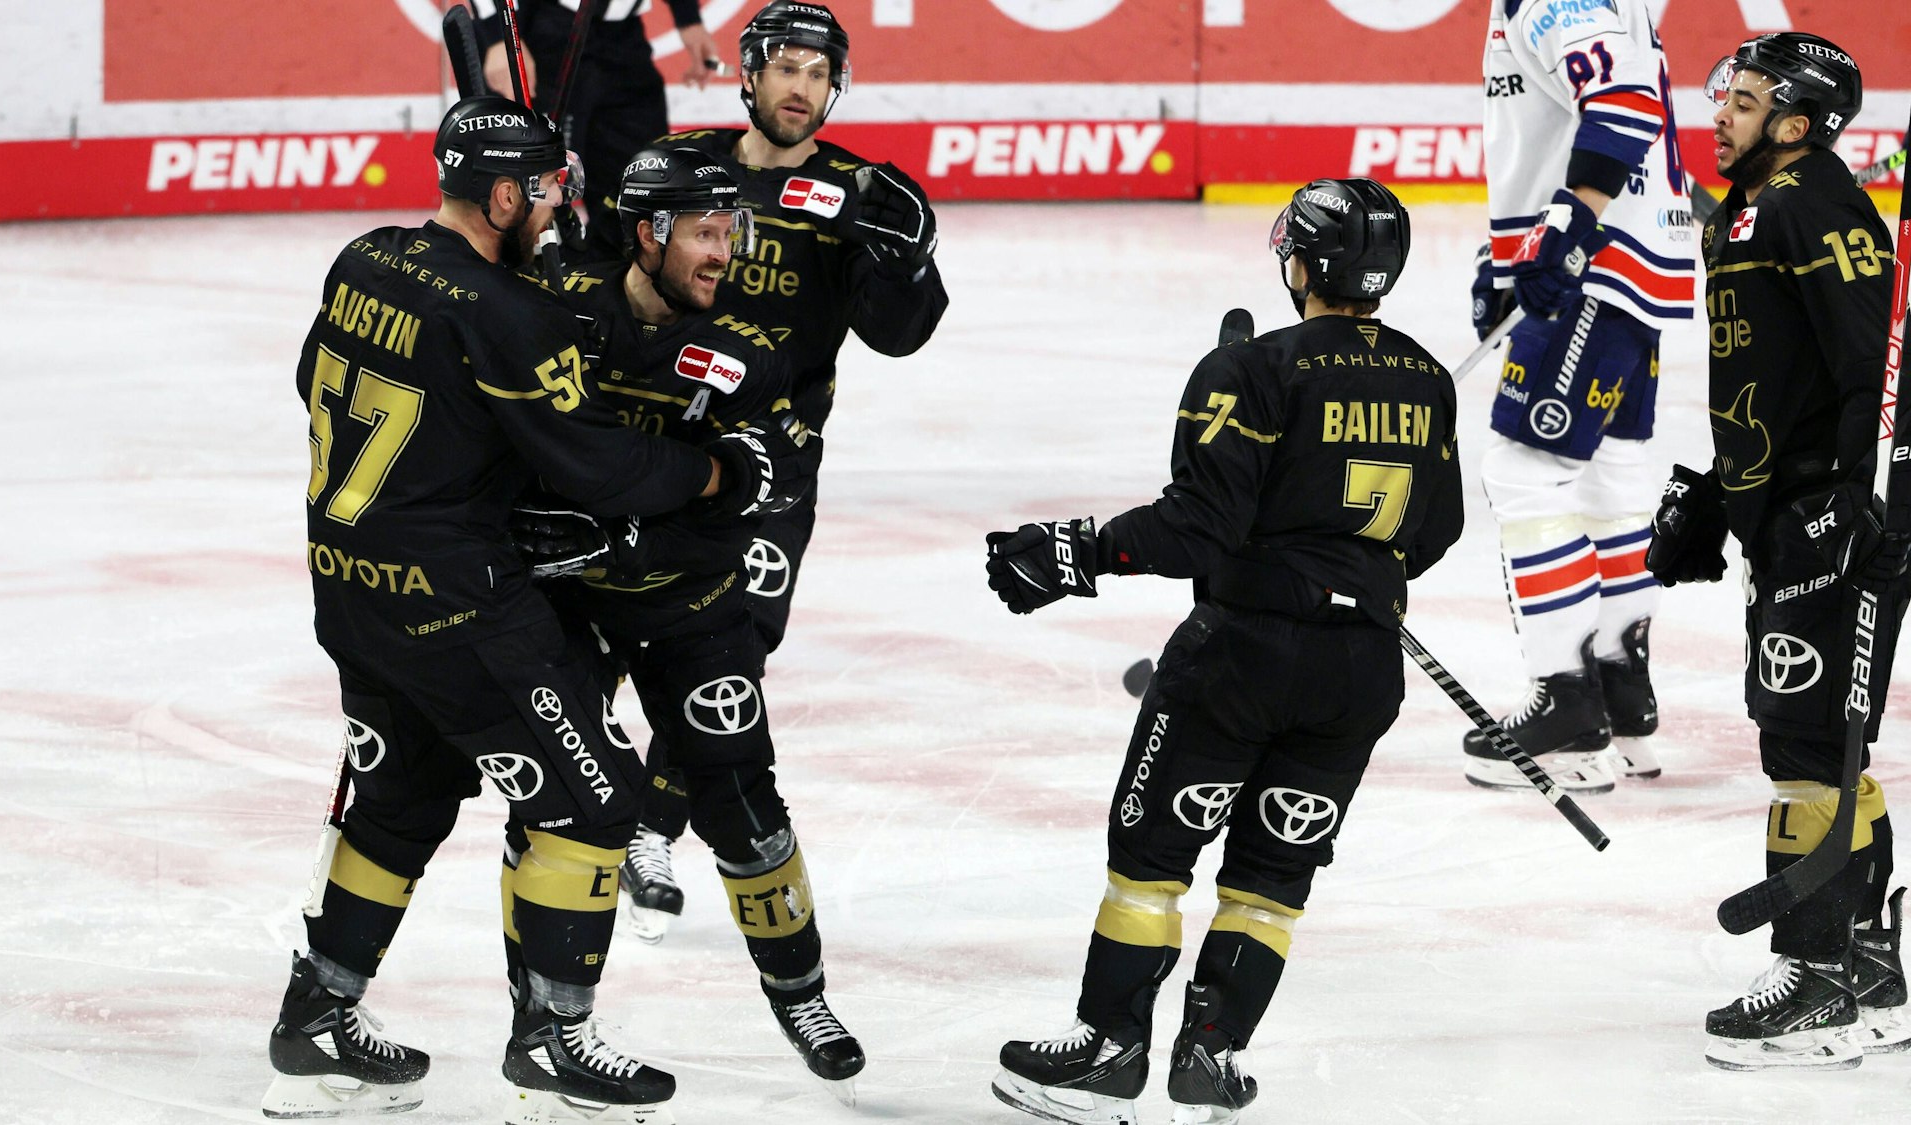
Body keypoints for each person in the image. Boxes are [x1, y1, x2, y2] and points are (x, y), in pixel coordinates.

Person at [260, 95, 813, 1121]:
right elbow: (598, 467)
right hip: (458, 606)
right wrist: (717, 476)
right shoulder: (507, 313)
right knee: (596, 802)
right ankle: (554, 1039)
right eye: (549, 192)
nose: (561, 210)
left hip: (348, 586)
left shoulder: (365, 257)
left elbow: (311, 382)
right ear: (505, 197)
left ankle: (316, 1013)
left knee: (404, 796)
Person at [983, 179, 1462, 1125]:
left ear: (1304, 265)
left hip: (1240, 657)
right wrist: (1339, 563)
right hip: (1360, 672)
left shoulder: (1252, 369)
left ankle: (1111, 1051)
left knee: (1152, 856)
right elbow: (1434, 531)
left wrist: (1074, 551)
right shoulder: (1428, 376)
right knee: (1273, 876)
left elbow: (1194, 527)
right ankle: (1213, 1052)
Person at [591, 1, 949, 942]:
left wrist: (910, 265)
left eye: (817, 73)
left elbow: (897, 335)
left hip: (772, 469)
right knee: (604, 637)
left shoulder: (858, 192)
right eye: (785, 67)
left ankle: (650, 828)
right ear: (748, 75)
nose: (800, 88)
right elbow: (603, 279)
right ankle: (586, 815)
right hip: (653, 444)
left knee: (733, 652)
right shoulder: (682, 163)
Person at [509, 146, 864, 1090]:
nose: (724, 253)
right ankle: (541, 1018)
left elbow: (761, 486)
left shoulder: (745, 355)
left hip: (691, 606)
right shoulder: (560, 311)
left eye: (729, 231)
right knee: (552, 808)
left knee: (743, 804)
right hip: (567, 609)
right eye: (706, 233)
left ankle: (801, 995)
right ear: (648, 233)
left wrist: (625, 539)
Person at [1648, 32, 1909, 1071]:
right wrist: (1724, 493)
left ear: (1795, 124)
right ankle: (1868, 962)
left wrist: (1865, 504)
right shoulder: (1746, 210)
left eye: (1746, 101)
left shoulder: (1811, 203)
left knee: (1803, 747)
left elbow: (1876, 365)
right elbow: (1779, 378)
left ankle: (1816, 978)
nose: (1720, 111)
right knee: (1820, 741)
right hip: (1787, 509)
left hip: (1834, 516)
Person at [1466, 0, 1696, 793]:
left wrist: (1566, 230)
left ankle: (1566, 707)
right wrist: (1503, 257)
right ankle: (1620, 693)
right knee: (1610, 480)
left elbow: (1622, 100)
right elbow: (1555, 126)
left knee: (1525, 473)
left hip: (1593, 273)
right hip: (1633, 268)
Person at [477, 0, 721, 248]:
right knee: (530, 195)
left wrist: (688, 17)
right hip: (544, 30)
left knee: (640, 189)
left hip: (622, 35)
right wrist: (498, 35)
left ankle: (615, 263)